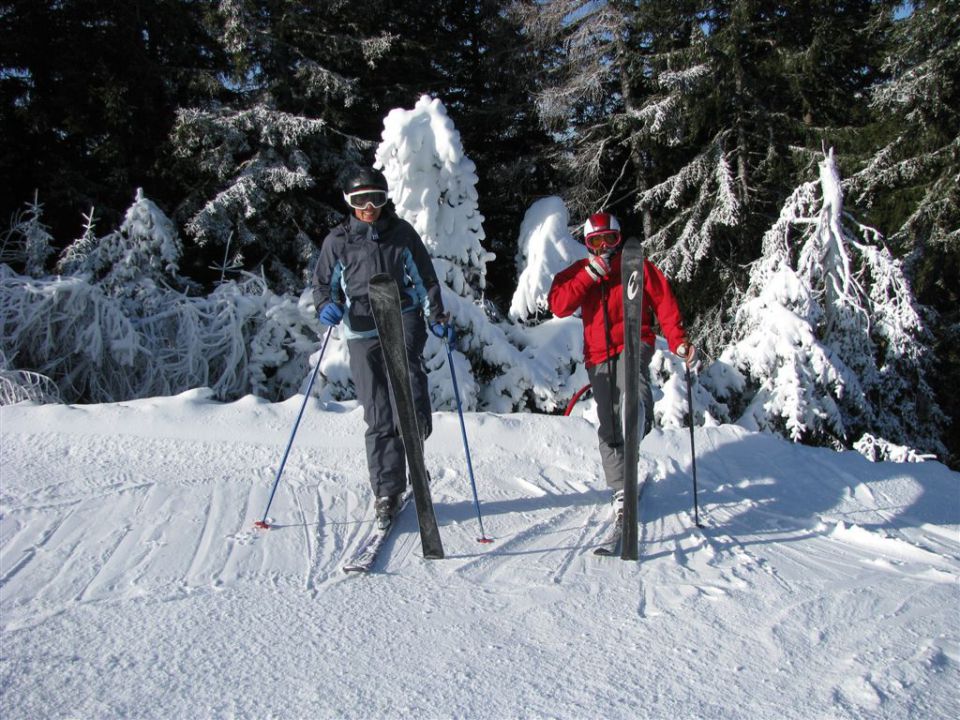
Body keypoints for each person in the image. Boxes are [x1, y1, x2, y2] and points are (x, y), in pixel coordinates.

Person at [312, 167, 455, 528]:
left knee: (405, 393)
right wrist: (326, 306)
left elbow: (425, 280)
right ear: (348, 202)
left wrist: (436, 316)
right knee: (378, 415)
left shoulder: (401, 233)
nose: (369, 207)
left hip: (402, 317)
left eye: (376, 198)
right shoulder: (338, 241)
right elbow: (323, 286)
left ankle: (416, 433)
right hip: (361, 329)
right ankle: (387, 491)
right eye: (360, 200)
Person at [547, 211, 696, 521]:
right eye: (595, 241)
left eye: (609, 240)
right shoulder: (578, 272)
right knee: (608, 421)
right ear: (587, 244)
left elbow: (664, 302)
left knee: (635, 393)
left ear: (618, 239)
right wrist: (588, 276)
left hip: (633, 342)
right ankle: (620, 489)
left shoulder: (635, 267)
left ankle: (639, 420)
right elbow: (559, 305)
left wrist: (678, 340)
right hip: (598, 355)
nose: (603, 247)